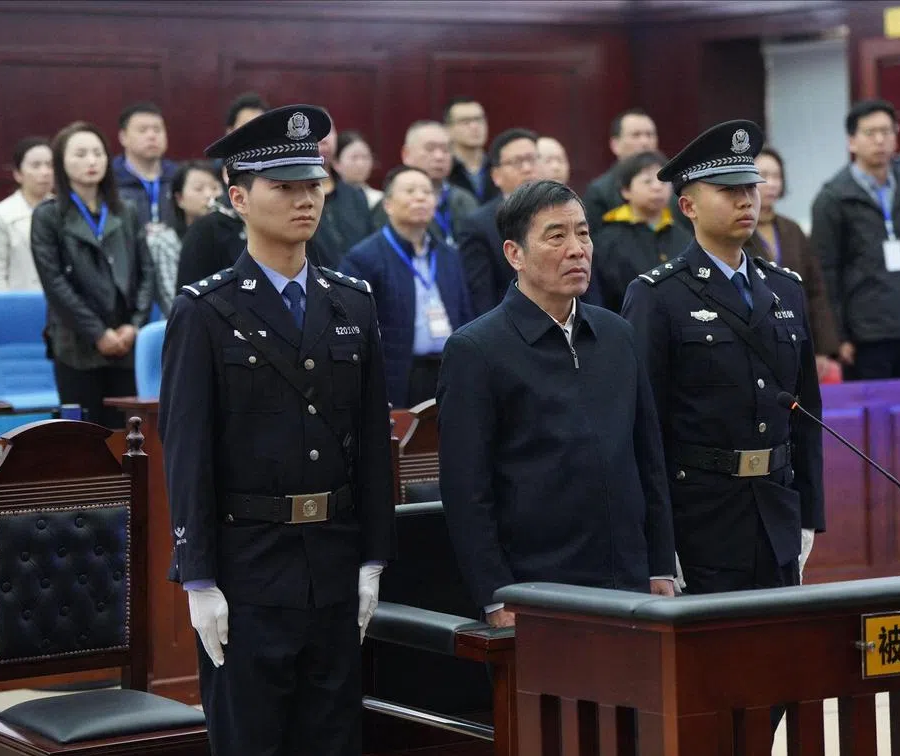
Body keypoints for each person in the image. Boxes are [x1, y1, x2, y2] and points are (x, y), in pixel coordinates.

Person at [159, 104, 394, 756]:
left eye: (312, 185)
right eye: (283, 187)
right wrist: (198, 577)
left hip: (335, 559)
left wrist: (375, 554)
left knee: (334, 741)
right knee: (252, 745)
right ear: (237, 198)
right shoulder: (206, 310)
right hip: (248, 566)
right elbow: (187, 452)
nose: (303, 201)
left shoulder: (352, 300)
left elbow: (373, 439)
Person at [438, 179, 676, 626]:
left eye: (583, 233)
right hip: (538, 589)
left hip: (631, 582)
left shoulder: (617, 335)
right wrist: (495, 594)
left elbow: (649, 461)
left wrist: (661, 563)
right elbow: (466, 491)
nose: (577, 249)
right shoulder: (477, 349)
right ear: (514, 254)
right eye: (556, 235)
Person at [622, 120, 824, 601]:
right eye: (729, 190)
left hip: (775, 508)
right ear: (688, 205)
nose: (746, 201)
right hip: (699, 516)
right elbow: (642, 429)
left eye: (751, 188)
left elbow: (807, 413)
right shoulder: (657, 296)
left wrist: (809, 515)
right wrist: (656, 544)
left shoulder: (785, 288)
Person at [30, 121, 155, 427]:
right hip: (77, 345)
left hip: (125, 342)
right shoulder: (48, 216)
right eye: (81, 154)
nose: (91, 161)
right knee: (83, 439)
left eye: (98, 153)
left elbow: (147, 272)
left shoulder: (125, 210)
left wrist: (134, 326)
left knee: (127, 437)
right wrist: (98, 333)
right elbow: (55, 284)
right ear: (61, 161)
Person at [812, 99, 900, 380]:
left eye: (887, 131)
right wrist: (837, 335)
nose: (880, 140)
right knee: (873, 420)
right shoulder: (833, 199)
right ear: (852, 142)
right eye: (870, 133)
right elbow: (826, 274)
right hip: (865, 336)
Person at [341, 166, 473, 408]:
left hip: (450, 370)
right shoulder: (364, 258)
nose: (420, 197)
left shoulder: (449, 255)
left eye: (426, 191)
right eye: (410, 191)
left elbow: (465, 315)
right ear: (388, 204)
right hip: (400, 375)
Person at [747, 147, 840, 380]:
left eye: (777, 176)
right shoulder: (737, 230)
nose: (772, 183)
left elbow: (815, 290)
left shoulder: (792, 230)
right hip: (754, 337)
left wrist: (822, 348)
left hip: (796, 335)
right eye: (764, 175)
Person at [175, 95, 269, 287]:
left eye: (262, 127)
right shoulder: (207, 229)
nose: (255, 135)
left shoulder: (284, 216)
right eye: (247, 126)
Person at [593, 150, 691, 312]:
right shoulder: (606, 241)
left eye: (663, 182)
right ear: (626, 190)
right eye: (647, 181)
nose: (657, 187)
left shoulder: (684, 235)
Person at [455, 128, 540, 315]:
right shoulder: (478, 226)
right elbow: (482, 297)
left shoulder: (566, 212)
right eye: (517, 162)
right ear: (496, 176)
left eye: (533, 159)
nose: (527, 168)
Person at [374, 121, 479, 246]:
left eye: (446, 150)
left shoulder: (465, 199)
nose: (439, 156)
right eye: (430, 149)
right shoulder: (393, 203)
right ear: (406, 155)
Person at [149, 161, 223, 316]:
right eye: (199, 189)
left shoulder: (231, 234)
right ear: (179, 199)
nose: (210, 195)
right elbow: (173, 301)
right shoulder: (165, 241)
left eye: (215, 187)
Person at [0, 137, 53, 291]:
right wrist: (4, 307)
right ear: (18, 174)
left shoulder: (64, 210)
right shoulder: (2, 213)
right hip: (20, 303)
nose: (45, 172)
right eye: (36, 165)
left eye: (50, 165)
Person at [310, 115, 375, 268]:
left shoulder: (356, 195)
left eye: (329, 131)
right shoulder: (293, 198)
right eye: (315, 132)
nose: (324, 139)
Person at [582, 108, 659, 231]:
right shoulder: (599, 192)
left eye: (650, 135)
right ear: (615, 145)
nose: (645, 142)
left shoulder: (667, 186)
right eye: (636, 135)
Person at [113, 102, 179, 229]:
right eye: (142, 130)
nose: (152, 136)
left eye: (157, 130)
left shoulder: (178, 177)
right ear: (123, 137)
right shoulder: (110, 180)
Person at [445, 96, 499, 203]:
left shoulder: (498, 165)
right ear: (448, 129)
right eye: (465, 121)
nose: (474, 126)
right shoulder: (445, 170)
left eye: (479, 120)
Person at [334, 130, 383, 209]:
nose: (361, 164)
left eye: (365, 157)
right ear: (336, 163)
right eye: (354, 157)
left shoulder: (380, 199)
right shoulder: (329, 200)